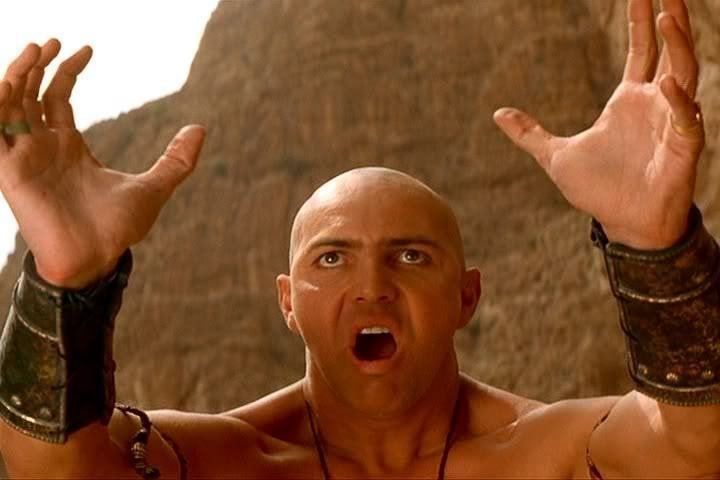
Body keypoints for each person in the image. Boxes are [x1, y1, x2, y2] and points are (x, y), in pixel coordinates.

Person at [0, 0, 718, 478]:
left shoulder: (550, 453)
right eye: (333, 258)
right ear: (288, 301)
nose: (372, 287)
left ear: (466, 297)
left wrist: (654, 245)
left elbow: (695, 445)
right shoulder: (220, 461)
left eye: (411, 256)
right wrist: (66, 281)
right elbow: (54, 468)